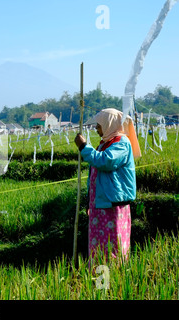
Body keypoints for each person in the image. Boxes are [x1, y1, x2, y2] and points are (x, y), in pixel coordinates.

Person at [74, 108, 141, 264]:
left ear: (109, 124)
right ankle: (98, 277)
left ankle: (113, 278)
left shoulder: (121, 143)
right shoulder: (105, 143)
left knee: (113, 246)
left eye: (99, 125)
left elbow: (105, 161)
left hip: (112, 204)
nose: (97, 129)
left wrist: (84, 147)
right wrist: (89, 200)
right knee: (98, 245)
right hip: (100, 203)